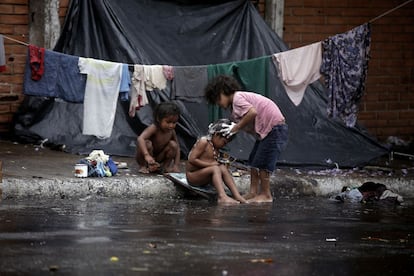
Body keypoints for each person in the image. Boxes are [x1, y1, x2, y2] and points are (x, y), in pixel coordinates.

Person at [204, 75, 288, 203]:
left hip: (274, 128)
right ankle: (253, 192)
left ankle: (266, 194)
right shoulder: (236, 105)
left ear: (222, 92)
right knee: (254, 161)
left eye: (218, 100)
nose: (219, 105)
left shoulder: (238, 99)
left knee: (264, 163)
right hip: (267, 131)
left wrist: (236, 128)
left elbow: (252, 112)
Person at [186, 119, 247, 204]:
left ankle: (236, 195)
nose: (224, 145)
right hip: (193, 176)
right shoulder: (204, 142)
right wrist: (210, 164)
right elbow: (192, 159)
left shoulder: (215, 147)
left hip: (205, 177)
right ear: (216, 135)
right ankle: (222, 196)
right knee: (215, 168)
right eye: (224, 142)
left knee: (222, 167)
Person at [136, 101, 181, 173]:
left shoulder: (171, 131)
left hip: (160, 156)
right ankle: (143, 166)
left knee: (173, 144)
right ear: (158, 119)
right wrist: (146, 155)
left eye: (174, 123)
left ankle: (165, 167)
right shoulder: (154, 128)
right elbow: (140, 138)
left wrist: (176, 165)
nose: (171, 126)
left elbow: (177, 147)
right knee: (147, 143)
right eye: (168, 122)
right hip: (148, 156)